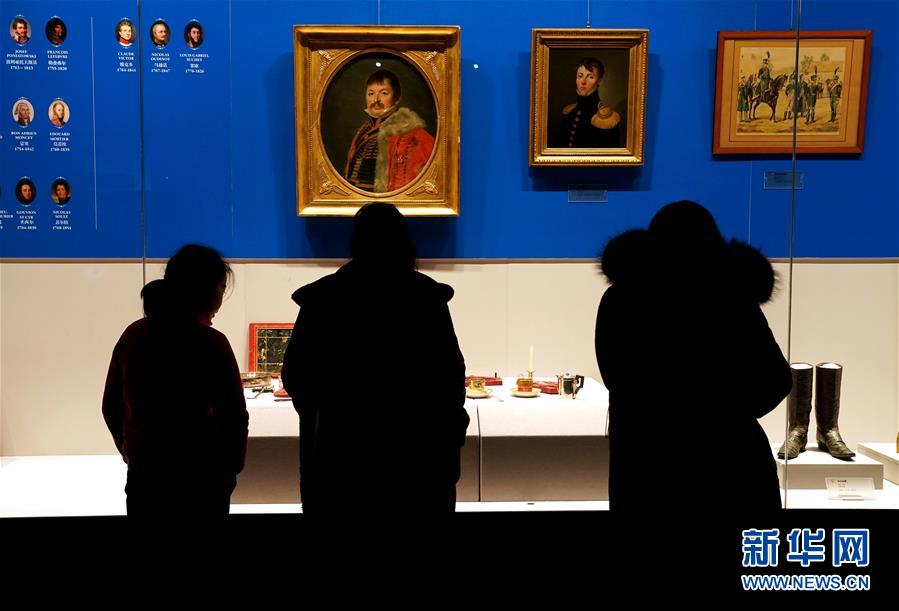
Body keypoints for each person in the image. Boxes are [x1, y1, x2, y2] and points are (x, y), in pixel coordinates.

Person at [595, 201, 790, 521]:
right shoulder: (732, 297)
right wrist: (726, 411)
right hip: (728, 459)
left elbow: (616, 377)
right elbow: (776, 380)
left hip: (645, 458)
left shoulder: (621, 298)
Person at [281, 202, 469, 522]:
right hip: (417, 455)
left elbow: (297, 376)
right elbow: (449, 376)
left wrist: (331, 409)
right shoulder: (425, 298)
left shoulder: (323, 298)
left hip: (341, 453)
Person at [102, 244, 249, 520]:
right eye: (221, 288)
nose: (221, 298)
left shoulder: (133, 335)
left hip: (146, 473)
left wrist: (132, 452)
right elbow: (234, 415)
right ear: (206, 290)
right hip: (202, 478)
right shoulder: (211, 343)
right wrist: (230, 467)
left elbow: (111, 406)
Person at [344, 70, 435, 192]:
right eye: (371, 93)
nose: (375, 100)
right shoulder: (364, 130)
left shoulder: (413, 133)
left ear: (397, 98)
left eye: (384, 93)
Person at [555, 57, 620, 148]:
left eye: (590, 77)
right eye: (580, 76)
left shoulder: (608, 118)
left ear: (599, 81)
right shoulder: (568, 112)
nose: (583, 81)